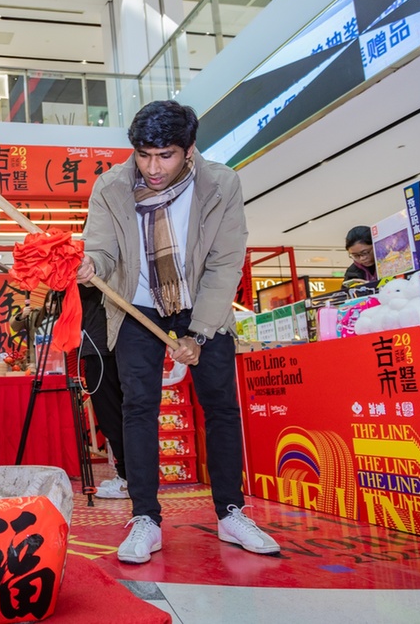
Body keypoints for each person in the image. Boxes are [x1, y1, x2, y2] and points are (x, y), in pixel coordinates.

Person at [77, 100, 280, 564]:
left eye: (165, 155)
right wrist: (93, 265)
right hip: (137, 305)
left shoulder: (221, 184)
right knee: (138, 407)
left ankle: (231, 512)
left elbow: (226, 262)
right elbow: (104, 250)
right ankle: (145, 517)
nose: (152, 167)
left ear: (189, 150)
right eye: (144, 155)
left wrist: (201, 333)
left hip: (201, 303)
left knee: (221, 406)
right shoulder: (111, 186)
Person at [77, 283, 128, 500]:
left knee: (112, 417)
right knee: (122, 415)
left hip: (102, 347)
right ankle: (130, 476)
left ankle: (128, 479)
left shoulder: (92, 271)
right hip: (114, 346)